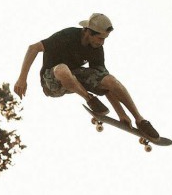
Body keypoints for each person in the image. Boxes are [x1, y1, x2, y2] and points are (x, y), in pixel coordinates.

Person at [13, 13, 159, 139]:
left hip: (74, 78)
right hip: (51, 82)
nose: (102, 43)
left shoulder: (97, 49)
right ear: (88, 32)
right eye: (100, 38)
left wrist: (121, 114)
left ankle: (140, 120)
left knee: (111, 80)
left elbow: (105, 86)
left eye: (105, 39)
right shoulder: (67, 35)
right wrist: (22, 78)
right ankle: (89, 99)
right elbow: (33, 48)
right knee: (62, 69)